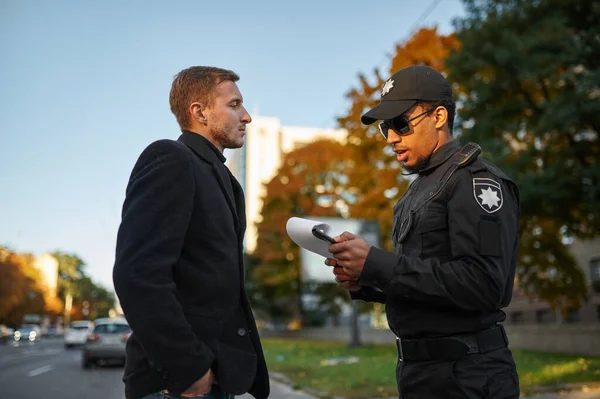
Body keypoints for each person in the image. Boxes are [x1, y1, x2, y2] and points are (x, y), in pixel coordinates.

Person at [326, 65, 521, 398]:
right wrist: (366, 280)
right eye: (386, 127)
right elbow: (425, 284)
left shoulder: (474, 181)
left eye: (401, 124)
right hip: (419, 375)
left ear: (439, 116)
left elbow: (484, 285)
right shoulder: (414, 194)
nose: (391, 138)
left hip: (468, 376)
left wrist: (378, 264)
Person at [113, 66, 269, 399]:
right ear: (198, 112)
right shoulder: (171, 158)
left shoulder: (227, 182)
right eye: (234, 105)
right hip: (176, 385)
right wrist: (187, 367)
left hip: (216, 377)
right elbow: (138, 274)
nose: (246, 117)